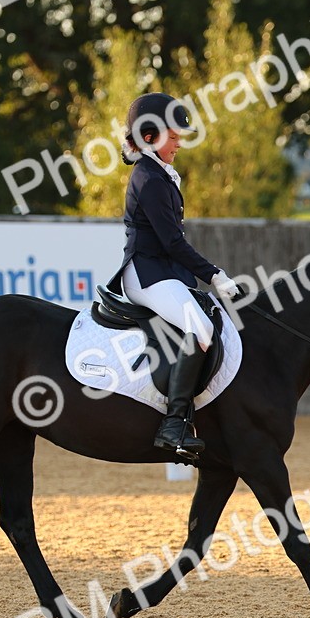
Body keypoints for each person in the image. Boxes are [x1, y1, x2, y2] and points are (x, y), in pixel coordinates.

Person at [107, 92, 239, 459]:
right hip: (146, 274)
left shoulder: (161, 173)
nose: (179, 143)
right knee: (201, 329)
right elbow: (172, 242)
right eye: (174, 136)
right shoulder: (148, 179)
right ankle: (174, 423)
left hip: (163, 270)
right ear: (149, 135)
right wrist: (215, 274)